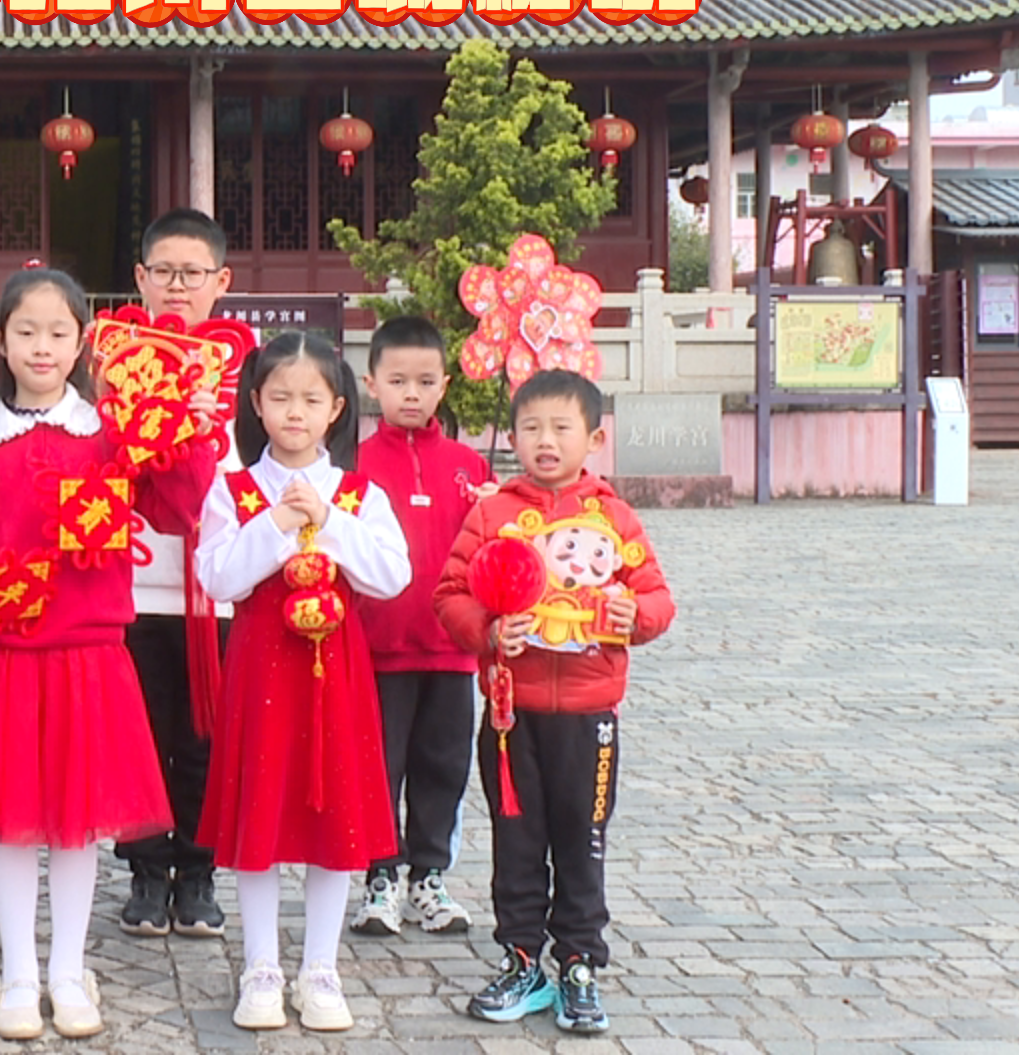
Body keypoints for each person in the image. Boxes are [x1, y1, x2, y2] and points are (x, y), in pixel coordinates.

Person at [0, 267, 216, 1041]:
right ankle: (20, 973)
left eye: (59, 332)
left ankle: (68, 969)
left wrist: (186, 435)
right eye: (26, 331)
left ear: (83, 342)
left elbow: (183, 508)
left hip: (89, 658)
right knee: (15, 829)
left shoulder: (112, 432)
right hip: (7, 662)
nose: (42, 347)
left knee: (76, 828)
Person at [433, 370, 676, 1036]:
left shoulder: (614, 519)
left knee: (581, 841)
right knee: (516, 841)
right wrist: (487, 630)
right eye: (531, 428)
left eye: (561, 428)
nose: (545, 441)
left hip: (590, 720)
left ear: (593, 438)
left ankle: (578, 963)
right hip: (511, 717)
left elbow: (658, 598)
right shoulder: (492, 515)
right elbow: (449, 595)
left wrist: (635, 615)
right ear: (513, 437)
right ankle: (521, 961)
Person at [195, 333, 410, 1032]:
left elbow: (392, 575)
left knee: (334, 818)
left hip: (335, 675)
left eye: (311, 399)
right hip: (259, 670)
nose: (295, 412)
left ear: (336, 409)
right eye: (280, 397)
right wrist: (275, 524)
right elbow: (218, 577)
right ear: (255, 403)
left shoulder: (359, 494)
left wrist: (328, 521)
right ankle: (260, 965)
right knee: (259, 814)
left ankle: (321, 966)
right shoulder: (231, 491)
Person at [118, 208, 245, 939]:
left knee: (206, 741)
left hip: (216, 591)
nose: (176, 286)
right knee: (140, 737)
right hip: (134, 583)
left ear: (220, 281)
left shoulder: (247, 371)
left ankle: (198, 872)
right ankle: (143, 870)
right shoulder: (113, 362)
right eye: (163, 271)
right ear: (140, 277)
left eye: (191, 273)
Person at [351, 314, 493, 939]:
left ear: (445, 386)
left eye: (426, 382)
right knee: (377, 769)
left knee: (444, 766)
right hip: (375, 651)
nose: (412, 394)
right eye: (398, 381)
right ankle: (380, 877)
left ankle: (429, 877)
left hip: (451, 650)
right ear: (371, 384)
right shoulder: (350, 464)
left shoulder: (470, 467)